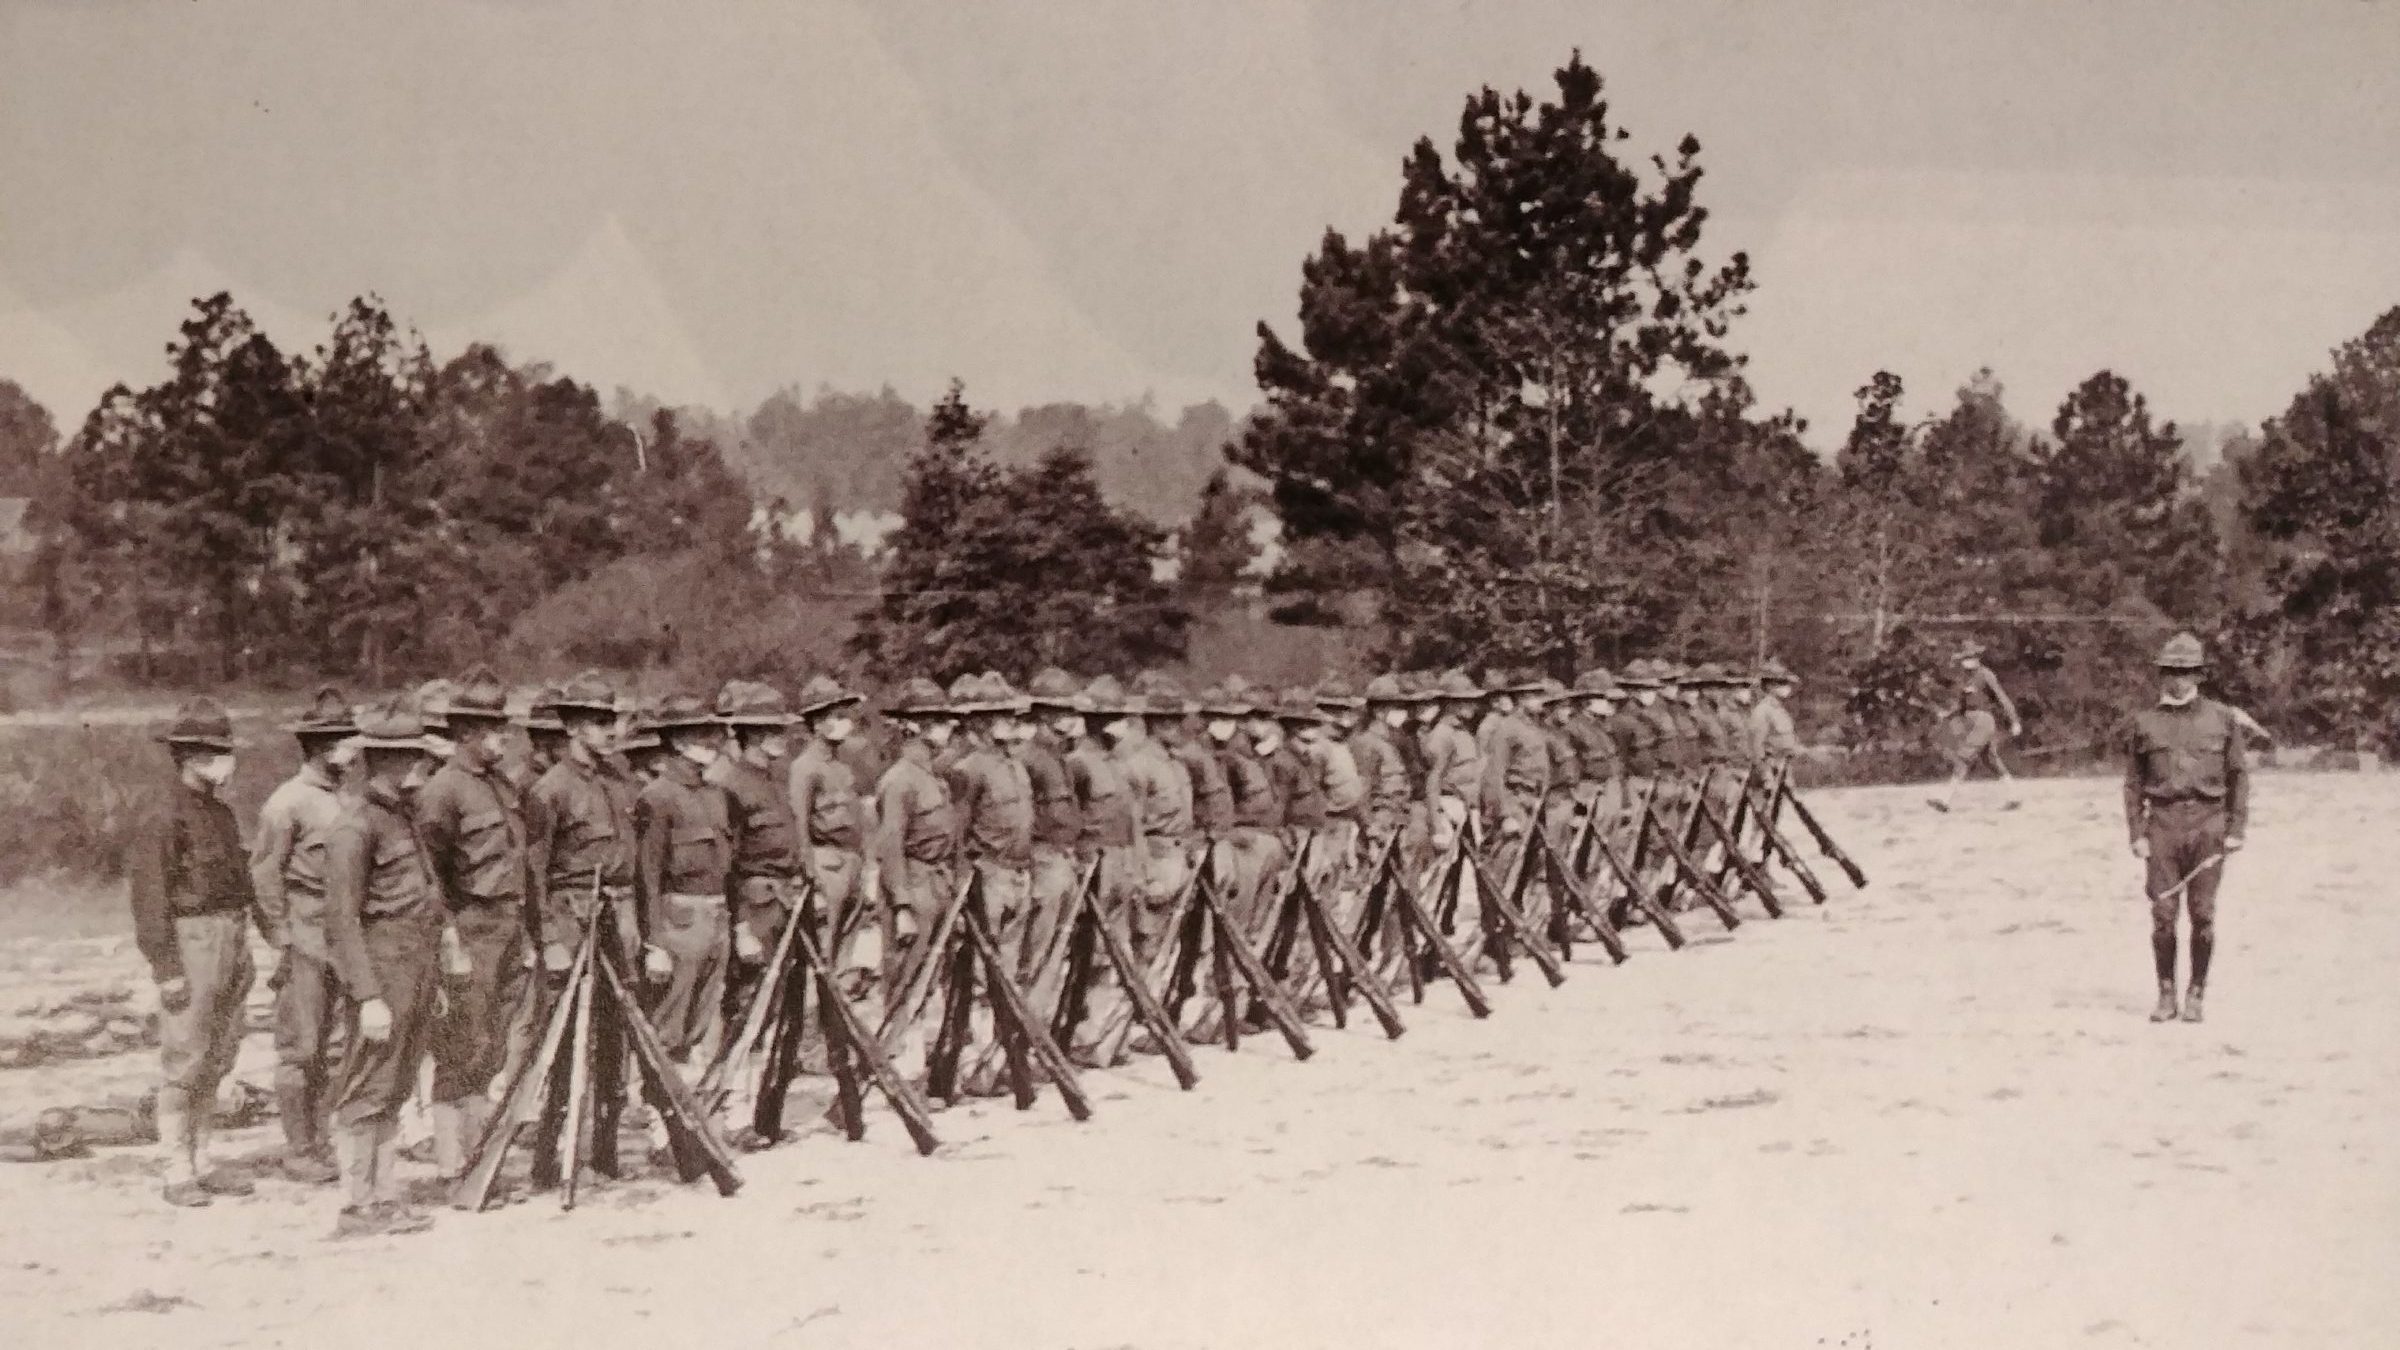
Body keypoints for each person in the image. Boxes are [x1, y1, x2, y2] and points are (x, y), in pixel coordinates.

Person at [129, 697, 269, 1209]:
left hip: (230, 935)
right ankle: (175, 1167)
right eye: (218, 753)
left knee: (220, 1054)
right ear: (192, 756)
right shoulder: (163, 816)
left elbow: (243, 881)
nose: (228, 762)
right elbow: (150, 899)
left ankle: (203, 1159)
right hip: (192, 940)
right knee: (185, 1057)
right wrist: (166, 968)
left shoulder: (221, 814)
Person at [321, 701, 449, 1238]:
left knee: (395, 1084)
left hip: (414, 964)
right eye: (413, 756)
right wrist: (368, 995)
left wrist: (433, 973)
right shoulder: (355, 826)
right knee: (368, 1085)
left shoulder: (403, 816)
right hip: (381, 967)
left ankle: (385, 1195)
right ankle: (357, 1205)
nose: (422, 765)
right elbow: (341, 921)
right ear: (387, 761)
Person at [412, 667, 529, 1187]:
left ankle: (478, 1153)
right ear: (464, 734)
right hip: (469, 927)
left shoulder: (501, 786)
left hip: (508, 925)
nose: (503, 737)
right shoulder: (442, 791)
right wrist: (448, 940)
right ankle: (451, 1161)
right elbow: (429, 875)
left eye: (503, 727)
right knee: (460, 1043)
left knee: (493, 1044)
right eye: (492, 729)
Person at [249, 686, 357, 1186]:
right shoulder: (286, 803)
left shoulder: (348, 800)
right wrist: (282, 940)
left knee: (337, 1047)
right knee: (300, 1047)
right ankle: (299, 1148)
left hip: (342, 936)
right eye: (345, 742)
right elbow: (265, 874)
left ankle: (324, 1140)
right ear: (323, 748)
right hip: (304, 936)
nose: (354, 751)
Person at [2122, 632, 2248, 1025]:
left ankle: (2196, 993)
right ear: (2161, 675)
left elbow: (2238, 776)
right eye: (2170, 672)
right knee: (2163, 914)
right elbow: (2133, 784)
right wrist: (2137, 834)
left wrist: (2236, 828)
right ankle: (2166, 994)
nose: (2177, 679)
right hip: (2162, 826)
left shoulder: (2222, 719)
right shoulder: (2144, 723)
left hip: (2208, 824)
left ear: (2198, 675)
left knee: (2203, 914)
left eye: (2186, 671)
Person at [631, 694, 733, 1107]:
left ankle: (687, 1109)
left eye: (712, 732)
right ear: (676, 741)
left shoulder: (715, 794)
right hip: (679, 921)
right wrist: (654, 943)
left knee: (700, 1021)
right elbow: (647, 876)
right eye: (699, 734)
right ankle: (661, 1115)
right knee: (668, 1026)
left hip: (716, 916)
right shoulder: (657, 797)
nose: (711, 741)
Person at [786, 674, 875, 998]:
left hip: (850, 861)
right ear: (817, 723)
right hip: (826, 863)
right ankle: (822, 1015)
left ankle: (839, 1012)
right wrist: (809, 873)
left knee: (846, 948)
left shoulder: (842, 767)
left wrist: (866, 865)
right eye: (836, 716)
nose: (845, 723)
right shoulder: (805, 767)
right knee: (824, 949)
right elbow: (799, 822)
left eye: (844, 715)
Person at [1932, 641, 2023, 812]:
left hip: (1983, 721)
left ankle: (1945, 800)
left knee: (1963, 758)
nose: (1966, 660)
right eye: (1964, 657)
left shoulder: (1986, 675)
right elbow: (1962, 705)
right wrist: (1948, 714)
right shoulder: (1965, 678)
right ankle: (2014, 796)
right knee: (1991, 761)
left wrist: (2014, 720)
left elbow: (2002, 698)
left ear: (1977, 658)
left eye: (1970, 657)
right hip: (1971, 722)